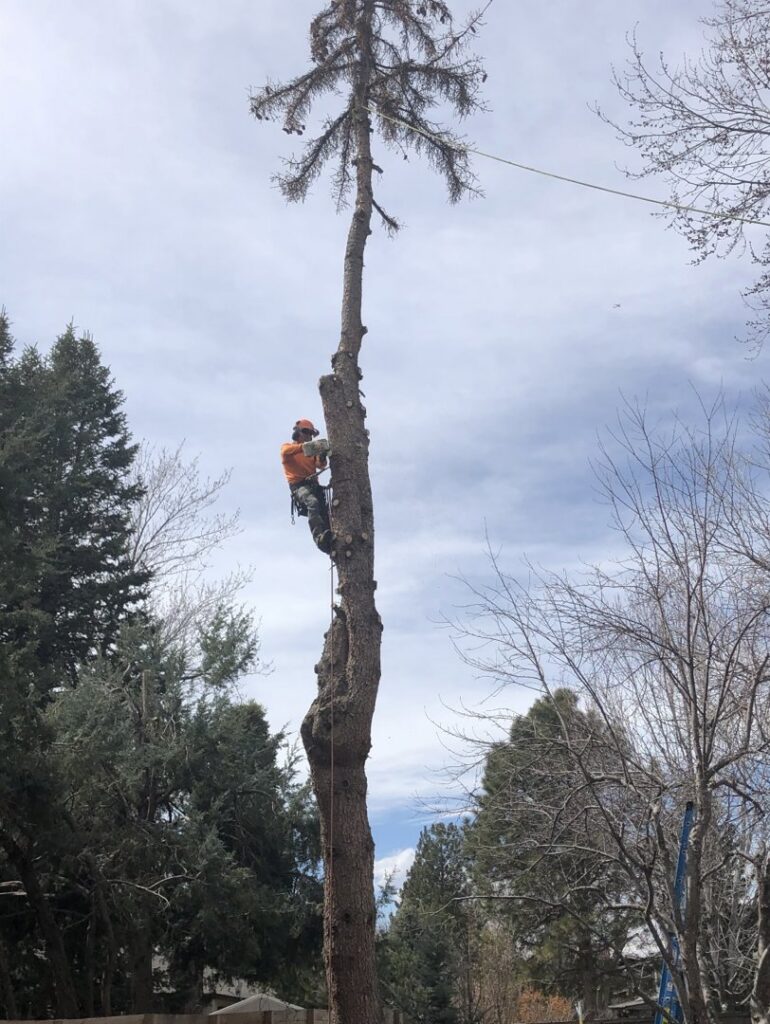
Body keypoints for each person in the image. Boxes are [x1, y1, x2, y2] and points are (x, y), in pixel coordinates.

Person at [281, 418, 333, 554]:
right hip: (299, 487)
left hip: (313, 486)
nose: (309, 436)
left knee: (325, 513)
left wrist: (322, 455)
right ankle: (319, 538)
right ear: (297, 433)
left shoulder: (311, 453)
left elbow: (321, 465)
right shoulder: (288, 448)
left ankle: (330, 540)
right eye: (306, 432)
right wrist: (306, 447)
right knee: (312, 503)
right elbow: (285, 452)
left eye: (311, 433)